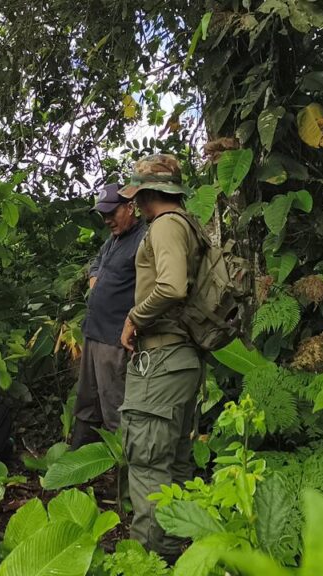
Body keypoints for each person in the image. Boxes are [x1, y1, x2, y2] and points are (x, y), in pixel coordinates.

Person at [117, 154, 204, 560]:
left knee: (149, 463)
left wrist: (134, 317)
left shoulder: (166, 225)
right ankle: (176, 554)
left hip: (164, 360)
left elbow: (171, 287)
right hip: (181, 360)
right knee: (174, 464)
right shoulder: (188, 223)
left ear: (147, 192)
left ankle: (150, 560)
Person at [71, 183, 146, 448]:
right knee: (87, 402)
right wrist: (96, 280)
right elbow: (95, 264)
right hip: (93, 332)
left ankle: (127, 467)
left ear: (130, 207)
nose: (107, 220)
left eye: (112, 213)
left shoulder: (144, 238)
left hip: (115, 338)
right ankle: (77, 461)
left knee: (116, 407)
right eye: (103, 215)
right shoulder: (113, 240)